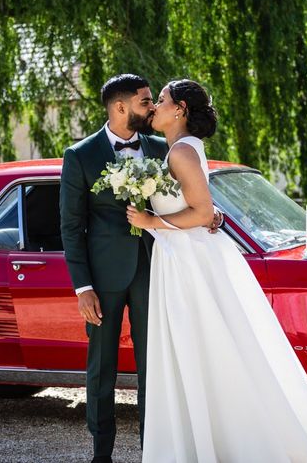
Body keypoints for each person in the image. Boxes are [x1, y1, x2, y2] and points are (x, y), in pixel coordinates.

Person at [126, 80, 307, 463]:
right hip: (181, 257)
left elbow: (203, 214)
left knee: (206, 347)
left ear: (181, 109)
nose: (155, 105)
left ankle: (221, 442)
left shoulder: (181, 153)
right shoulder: (179, 149)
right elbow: (203, 209)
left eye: (163, 99)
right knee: (200, 348)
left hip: (190, 262)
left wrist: (150, 220)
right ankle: (204, 438)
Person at [59, 74, 223, 463]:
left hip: (158, 270)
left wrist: (212, 214)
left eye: (155, 101)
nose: (152, 108)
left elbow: (192, 193)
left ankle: (155, 450)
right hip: (103, 278)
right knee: (102, 367)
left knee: (157, 365)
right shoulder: (80, 155)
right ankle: (102, 453)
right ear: (121, 107)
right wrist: (82, 287)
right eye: (145, 102)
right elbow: (70, 226)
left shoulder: (161, 146)